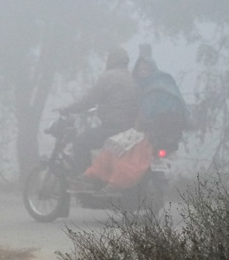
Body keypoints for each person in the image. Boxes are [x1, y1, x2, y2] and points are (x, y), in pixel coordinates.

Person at [59, 46, 140, 188]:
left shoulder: (108, 77)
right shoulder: (132, 78)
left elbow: (89, 100)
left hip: (113, 127)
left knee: (80, 142)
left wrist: (68, 109)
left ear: (111, 60)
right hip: (130, 130)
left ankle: (85, 179)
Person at [132, 44, 188, 152]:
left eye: (145, 70)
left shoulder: (150, 89)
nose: (142, 72)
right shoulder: (167, 82)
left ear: (151, 70)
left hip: (156, 134)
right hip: (174, 134)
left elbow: (146, 116)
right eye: (140, 70)